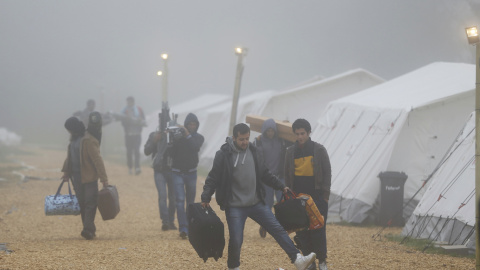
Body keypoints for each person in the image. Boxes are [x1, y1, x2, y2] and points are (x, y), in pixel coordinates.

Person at [201, 123, 316, 270]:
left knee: (278, 229)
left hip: (256, 203)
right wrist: (206, 196)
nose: (245, 142)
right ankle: (233, 267)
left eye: (247, 138)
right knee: (236, 239)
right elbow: (213, 177)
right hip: (235, 206)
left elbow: (265, 173)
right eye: (241, 139)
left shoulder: (254, 151)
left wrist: (281, 186)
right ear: (234, 138)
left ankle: (297, 259)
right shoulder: (224, 154)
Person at [285, 119, 331, 270]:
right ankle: (309, 262)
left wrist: (325, 197)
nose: (300, 137)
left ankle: (322, 261)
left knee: (318, 230)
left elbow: (327, 173)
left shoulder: (319, 150)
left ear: (309, 133)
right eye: (297, 134)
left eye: (302, 133)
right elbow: (286, 175)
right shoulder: (290, 152)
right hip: (298, 198)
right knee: (302, 232)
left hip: (316, 197)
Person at [61, 113, 109, 240]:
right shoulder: (73, 140)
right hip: (76, 177)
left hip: (89, 177)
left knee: (90, 202)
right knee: (82, 203)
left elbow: (97, 159)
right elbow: (69, 157)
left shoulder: (87, 140)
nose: (69, 132)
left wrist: (104, 178)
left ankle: (88, 229)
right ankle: (88, 229)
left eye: (69, 129)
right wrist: (66, 172)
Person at [253, 118, 292, 238]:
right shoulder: (258, 141)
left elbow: (293, 141)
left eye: (272, 131)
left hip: (280, 176)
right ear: (264, 130)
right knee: (267, 203)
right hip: (266, 178)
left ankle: (281, 229)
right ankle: (265, 225)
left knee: (282, 203)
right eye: (268, 131)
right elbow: (256, 159)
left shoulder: (282, 141)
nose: (270, 133)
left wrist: (287, 126)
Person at [170, 113, 204, 239]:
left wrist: (187, 135)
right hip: (177, 172)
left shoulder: (199, 138)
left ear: (197, 125)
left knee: (190, 202)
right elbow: (171, 152)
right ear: (186, 125)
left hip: (191, 173)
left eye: (194, 124)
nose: (192, 126)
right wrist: (172, 138)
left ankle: (189, 227)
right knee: (179, 201)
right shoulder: (178, 137)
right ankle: (183, 228)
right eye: (189, 124)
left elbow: (195, 147)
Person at [144, 113, 177, 231]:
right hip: (159, 170)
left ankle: (171, 221)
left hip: (173, 170)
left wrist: (173, 137)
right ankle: (165, 221)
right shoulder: (154, 135)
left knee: (173, 197)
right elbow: (146, 151)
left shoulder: (174, 134)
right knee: (162, 196)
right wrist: (154, 141)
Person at [120, 96, 146, 175]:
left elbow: (143, 120)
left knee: (137, 151)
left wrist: (139, 122)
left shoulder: (139, 110)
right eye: (128, 102)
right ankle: (130, 168)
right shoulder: (124, 111)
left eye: (130, 101)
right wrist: (127, 122)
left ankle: (137, 167)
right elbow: (122, 122)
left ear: (133, 102)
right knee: (129, 152)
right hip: (128, 134)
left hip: (137, 134)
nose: (129, 103)